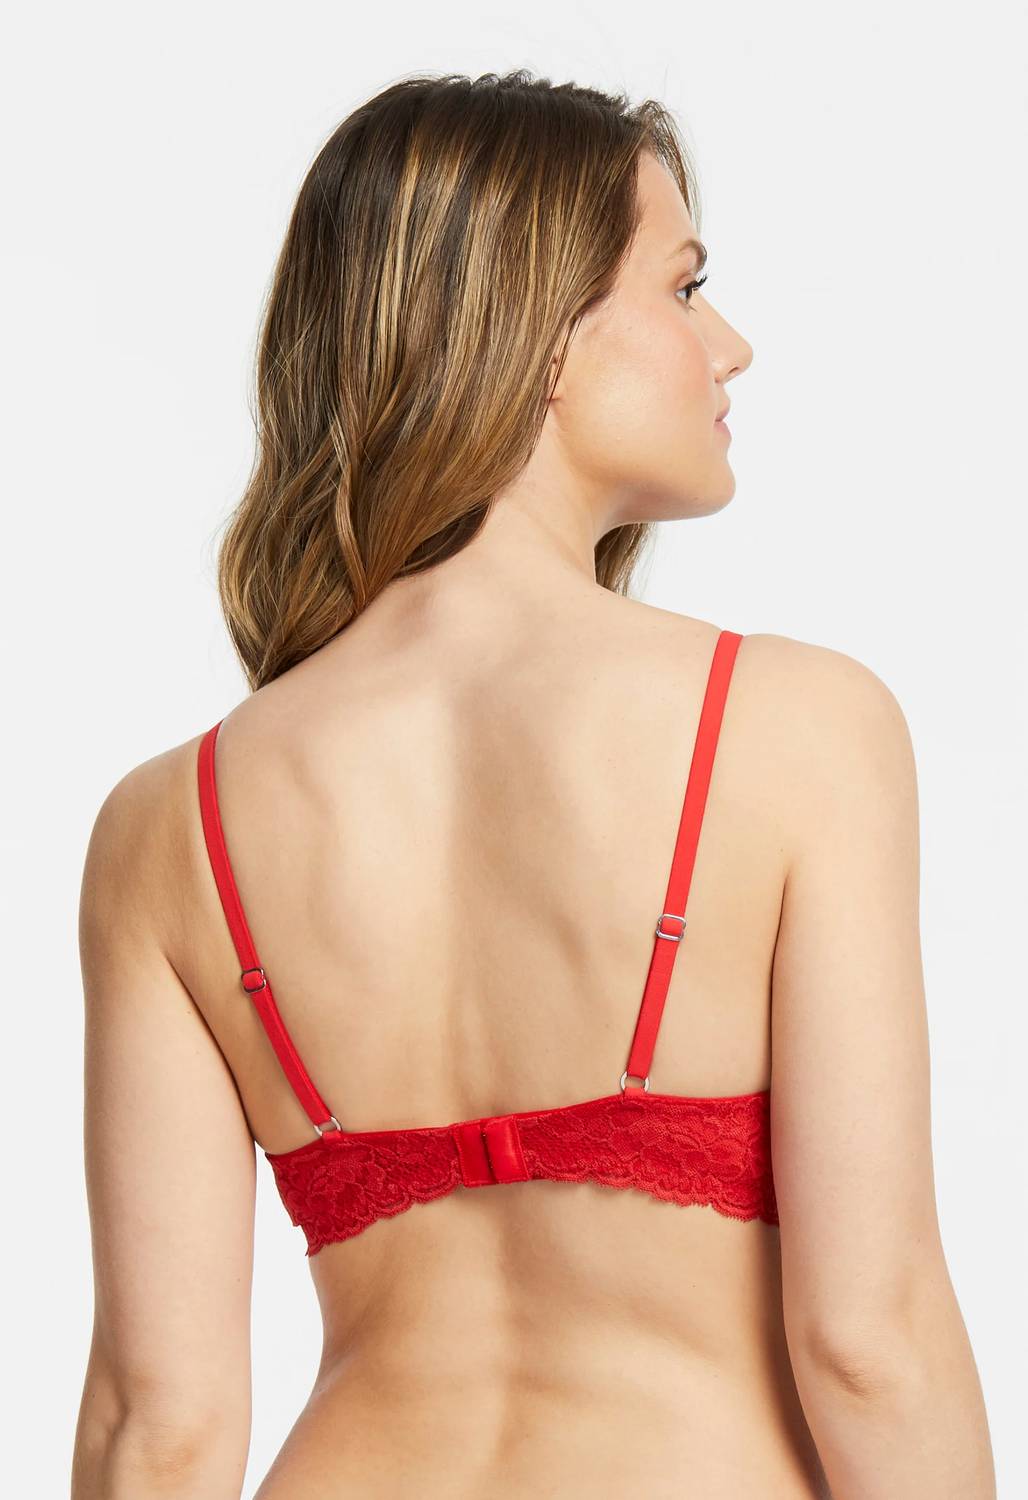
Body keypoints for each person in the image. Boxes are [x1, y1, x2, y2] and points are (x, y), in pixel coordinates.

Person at [71, 69, 995, 1500]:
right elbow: (869, 1344)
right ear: (542, 332)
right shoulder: (799, 727)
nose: (730, 345)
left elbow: (160, 1426)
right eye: (686, 288)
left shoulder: (167, 824)